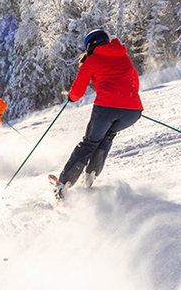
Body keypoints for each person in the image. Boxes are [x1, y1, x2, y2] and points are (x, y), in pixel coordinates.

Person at [52, 29, 143, 200]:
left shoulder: (92, 60)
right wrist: (128, 103)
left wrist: (71, 97)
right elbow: (134, 82)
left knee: (89, 143)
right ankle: (90, 176)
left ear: (90, 46)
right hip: (133, 110)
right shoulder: (124, 56)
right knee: (107, 136)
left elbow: (78, 90)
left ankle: (63, 185)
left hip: (107, 107)